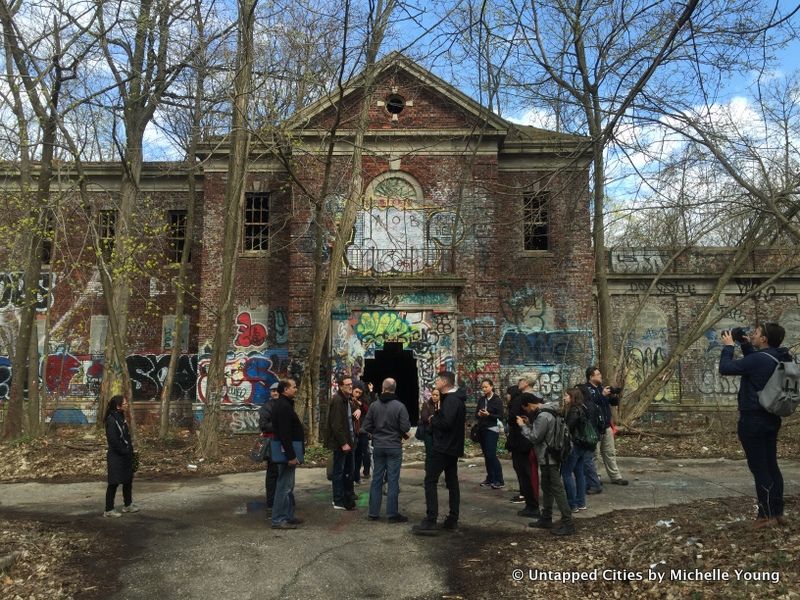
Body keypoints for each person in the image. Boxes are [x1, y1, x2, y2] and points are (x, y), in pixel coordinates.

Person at [719, 322, 792, 528]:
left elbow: (726, 368)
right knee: (771, 465)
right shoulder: (781, 356)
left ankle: (765, 516)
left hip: (753, 419)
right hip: (771, 417)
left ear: (764, 339)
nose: (753, 334)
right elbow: (757, 364)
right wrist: (745, 344)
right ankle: (777, 513)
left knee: (760, 468)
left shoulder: (759, 359)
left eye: (757, 333)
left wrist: (729, 346)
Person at [413, 371, 466, 535]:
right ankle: (452, 519)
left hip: (443, 447)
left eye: (437, 380)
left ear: (444, 382)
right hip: (452, 448)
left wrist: (433, 419)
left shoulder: (451, 400)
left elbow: (446, 422)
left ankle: (431, 520)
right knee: (452, 482)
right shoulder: (456, 399)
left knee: (430, 480)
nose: (435, 382)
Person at [517, 394, 575, 536]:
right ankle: (546, 517)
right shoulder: (551, 411)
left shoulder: (542, 416)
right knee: (547, 488)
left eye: (526, 408)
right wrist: (530, 424)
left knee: (556, 489)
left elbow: (535, 437)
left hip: (548, 457)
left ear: (530, 404)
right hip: (552, 454)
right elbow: (545, 432)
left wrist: (523, 426)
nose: (527, 412)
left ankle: (568, 523)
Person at [364, 378, 411, 522]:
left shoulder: (374, 406)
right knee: (392, 480)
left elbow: (366, 426)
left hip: (378, 446)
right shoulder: (400, 406)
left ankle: (373, 513)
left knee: (376, 479)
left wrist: (376, 432)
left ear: (382, 388)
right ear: (394, 389)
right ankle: (392, 514)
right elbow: (406, 428)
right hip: (394, 447)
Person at [579, 366, 628, 492]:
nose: (601, 376)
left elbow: (613, 404)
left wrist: (614, 395)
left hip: (606, 425)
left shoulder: (602, 388)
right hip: (594, 427)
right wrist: (602, 395)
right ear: (591, 376)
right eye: (598, 374)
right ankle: (595, 478)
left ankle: (616, 476)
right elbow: (590, 404)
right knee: (595, 455)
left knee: (610, 453)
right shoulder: (585, 389)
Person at [270, 378, 304, 529]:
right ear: (285, 390)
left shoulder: (284, 404)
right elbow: (284, 433)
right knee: (284, 486)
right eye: (294, 387)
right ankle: (278, 519)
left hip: (288, 451)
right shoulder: (283, 406)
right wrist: (290, 456)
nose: (296, 389)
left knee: (288, 486)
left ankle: (288, 516)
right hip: (287, 453)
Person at [506, 375, 540, 518]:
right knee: (528, 471)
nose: (518, 382)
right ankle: (531, 501)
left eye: (520, 380)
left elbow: (512, 418)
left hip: (520, 440)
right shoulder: (537, 396)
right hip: (528, 438)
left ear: (525, 383)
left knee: (524, 472)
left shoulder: (520, 399)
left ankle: (532, 504)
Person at [325, 375, 358, 510]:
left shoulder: (346, 400)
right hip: (341, 444)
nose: (350, 386)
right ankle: (338, 500)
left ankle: (345, 496)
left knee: (347, 471)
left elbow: (347, 422)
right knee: (339, 472)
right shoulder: (338, 401)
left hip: (348, 442)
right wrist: (343, 443)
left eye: (351, 384)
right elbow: (336, 425)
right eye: (347, 384)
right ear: (340, 386)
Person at [103, 395, 139, 517]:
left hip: (125, 454)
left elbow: (125, 436)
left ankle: (128, 505)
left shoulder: (121, 417)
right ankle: (108, 510)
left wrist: (130, 450)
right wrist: (124, 451)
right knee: (113, 483)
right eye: (124, 404)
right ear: (118, 406)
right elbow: (113, 440)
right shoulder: (111, 420)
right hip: (116, 456)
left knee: (128, 480)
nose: (126, 405)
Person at [561, 388, 593, 512]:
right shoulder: (583, 407)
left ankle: (572, 504)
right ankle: (581, 502)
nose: (564, 398)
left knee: (566, 473)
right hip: (582, 445)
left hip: (573, 445)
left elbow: (567, 427)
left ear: (572, 397)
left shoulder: (574, 410)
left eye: (566, 396)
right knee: (579, 473)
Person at [476, 378, 505, 489]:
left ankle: (499, 479)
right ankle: (490, 478)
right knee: (487, 456)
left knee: (491, 455)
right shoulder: (481, 400)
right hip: (482, 429)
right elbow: (476, 414)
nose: (484, 389)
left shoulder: (497, 400)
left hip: (492, 430)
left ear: (491, 387)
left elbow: (501, 416)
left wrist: (489, 415)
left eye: (486, 387)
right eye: (482, 387)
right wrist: (479, 414)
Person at [259, 382, 280, 515]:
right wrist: (280, 423)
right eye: (273, 391)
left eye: (277, 390)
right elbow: (264, 426)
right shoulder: (266, 407)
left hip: (284, 444)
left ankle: (285, 501)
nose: (275, 393)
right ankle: (271, 505)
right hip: (272, 444)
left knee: (284, 474)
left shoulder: (287, 404)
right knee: (272, 474)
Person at [352, 381, 371, 484]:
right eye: (356, 392)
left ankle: (357, 477)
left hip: (362, 431)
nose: (357, 394)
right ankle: (352, 477)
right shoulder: (348, 400)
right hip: (353, 432)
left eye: (360, 393)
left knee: (361, 454)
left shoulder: (363, 400)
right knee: (353, 456)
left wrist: (361, 404)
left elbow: (368, 411)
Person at [417, 388, 438, 468]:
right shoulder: (427, 404)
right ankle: (429, 470)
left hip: (439, 433)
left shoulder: (443, 405)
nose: (434, 397)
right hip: (429, 432)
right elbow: (424, 417)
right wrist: (434, 417)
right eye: (433, 395)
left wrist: (433, 417)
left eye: (437, 395)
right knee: (430, 453)